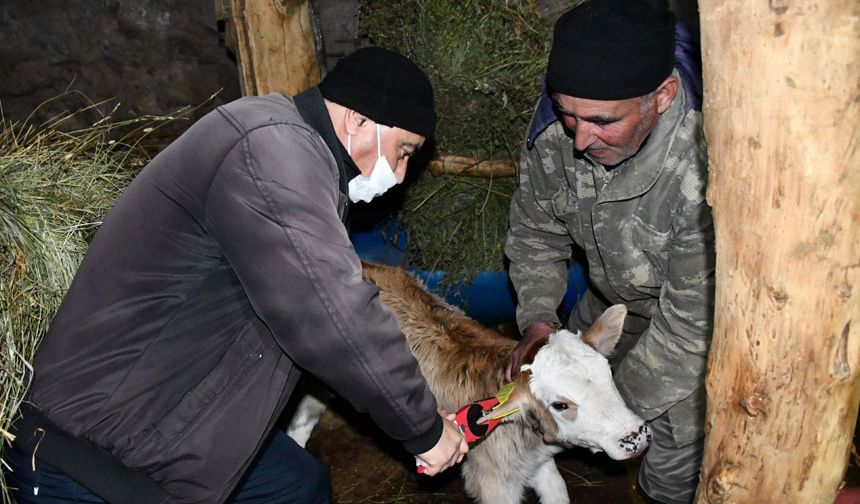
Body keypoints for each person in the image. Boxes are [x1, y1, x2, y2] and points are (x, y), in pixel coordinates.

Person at [4, 47, 468, 503]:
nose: (404, 174)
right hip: (95, 447)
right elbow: (332, 314)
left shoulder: (296, 156)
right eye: (404, 151)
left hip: (167, 405)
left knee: (297, 485)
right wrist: (421, 427)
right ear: (358, 119)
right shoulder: (271, 153)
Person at [503, 2, 714, 504]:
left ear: (661, 97)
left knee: (670, 474)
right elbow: (535, 235)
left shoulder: (706, 172)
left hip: (698, 340)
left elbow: (691, 327)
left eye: (602, 121)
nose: (578, 139)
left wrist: (605, 407)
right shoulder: (558, 132)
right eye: (566, 112)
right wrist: (537, 322)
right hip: (610, 313)